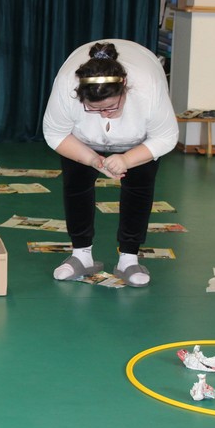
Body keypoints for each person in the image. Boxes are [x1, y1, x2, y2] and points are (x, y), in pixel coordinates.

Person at [42, 40, 178, 287]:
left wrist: (127, 159)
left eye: (111, 107)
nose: (105, 114)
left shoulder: (148, 87)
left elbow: (166, 136)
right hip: (83, 137)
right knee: (76, 183)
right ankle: (80, 255)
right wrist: (92, 159)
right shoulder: (66, 85)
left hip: (137, 137)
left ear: (124, 86)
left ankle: (129, 258)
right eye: (94, 109)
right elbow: (54, 133)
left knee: (139, 185)